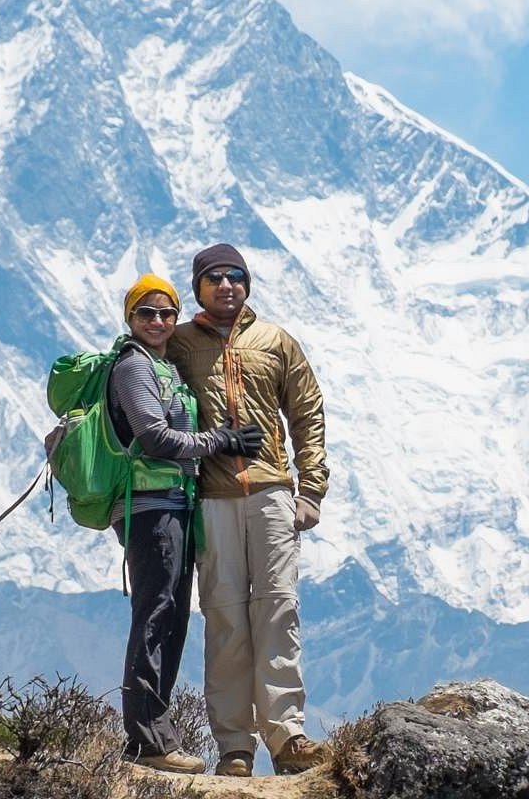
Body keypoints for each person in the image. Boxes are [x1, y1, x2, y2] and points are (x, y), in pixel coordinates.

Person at [167, 244, 330, 778]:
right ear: (198, 287)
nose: (226, 286)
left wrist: (312, 492)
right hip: (211, 499)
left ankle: (289, 738)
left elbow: (307, 412)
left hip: (272, 495)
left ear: (248, 283)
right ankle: (234, 747)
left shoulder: (276, 341)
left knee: (278, 611)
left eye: (235, 276)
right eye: (213, 278)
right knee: (225, 619)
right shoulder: (179, 343)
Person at [108, 273, 263, 775]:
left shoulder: (162, 365)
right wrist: (221, 441)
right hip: (150, 506)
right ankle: (147, 740)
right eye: (146, 313)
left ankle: (156, 735)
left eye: (166, 313)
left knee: (171, 616)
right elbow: (154, 437)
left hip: (174, 504)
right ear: (130, 318)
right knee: (156, 614)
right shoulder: (134, 366)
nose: (157, 322)